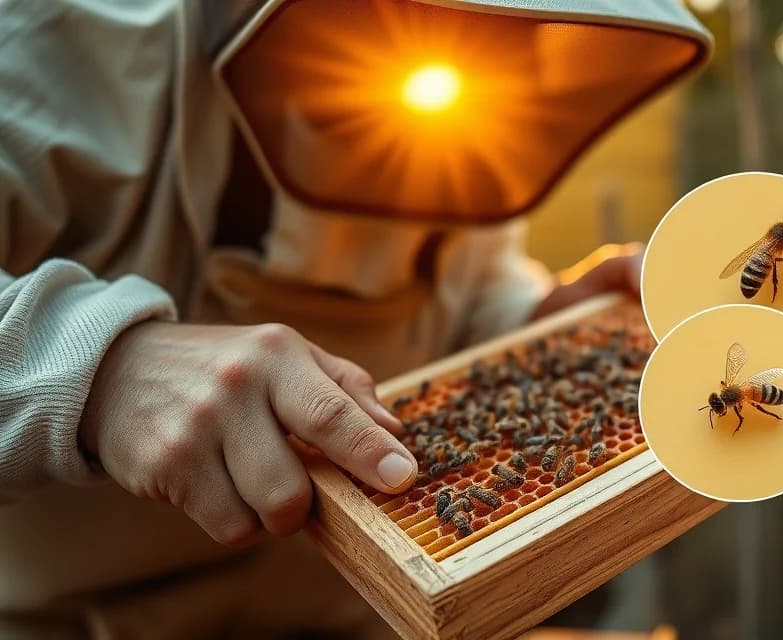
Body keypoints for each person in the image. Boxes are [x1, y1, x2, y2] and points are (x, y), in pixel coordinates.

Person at [0, 0, 709, 636]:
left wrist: (541, 323)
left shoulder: (469, 102)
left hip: (373, 614)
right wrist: (98, 365)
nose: (468, 50)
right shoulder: (52, 48)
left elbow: (472, 285)